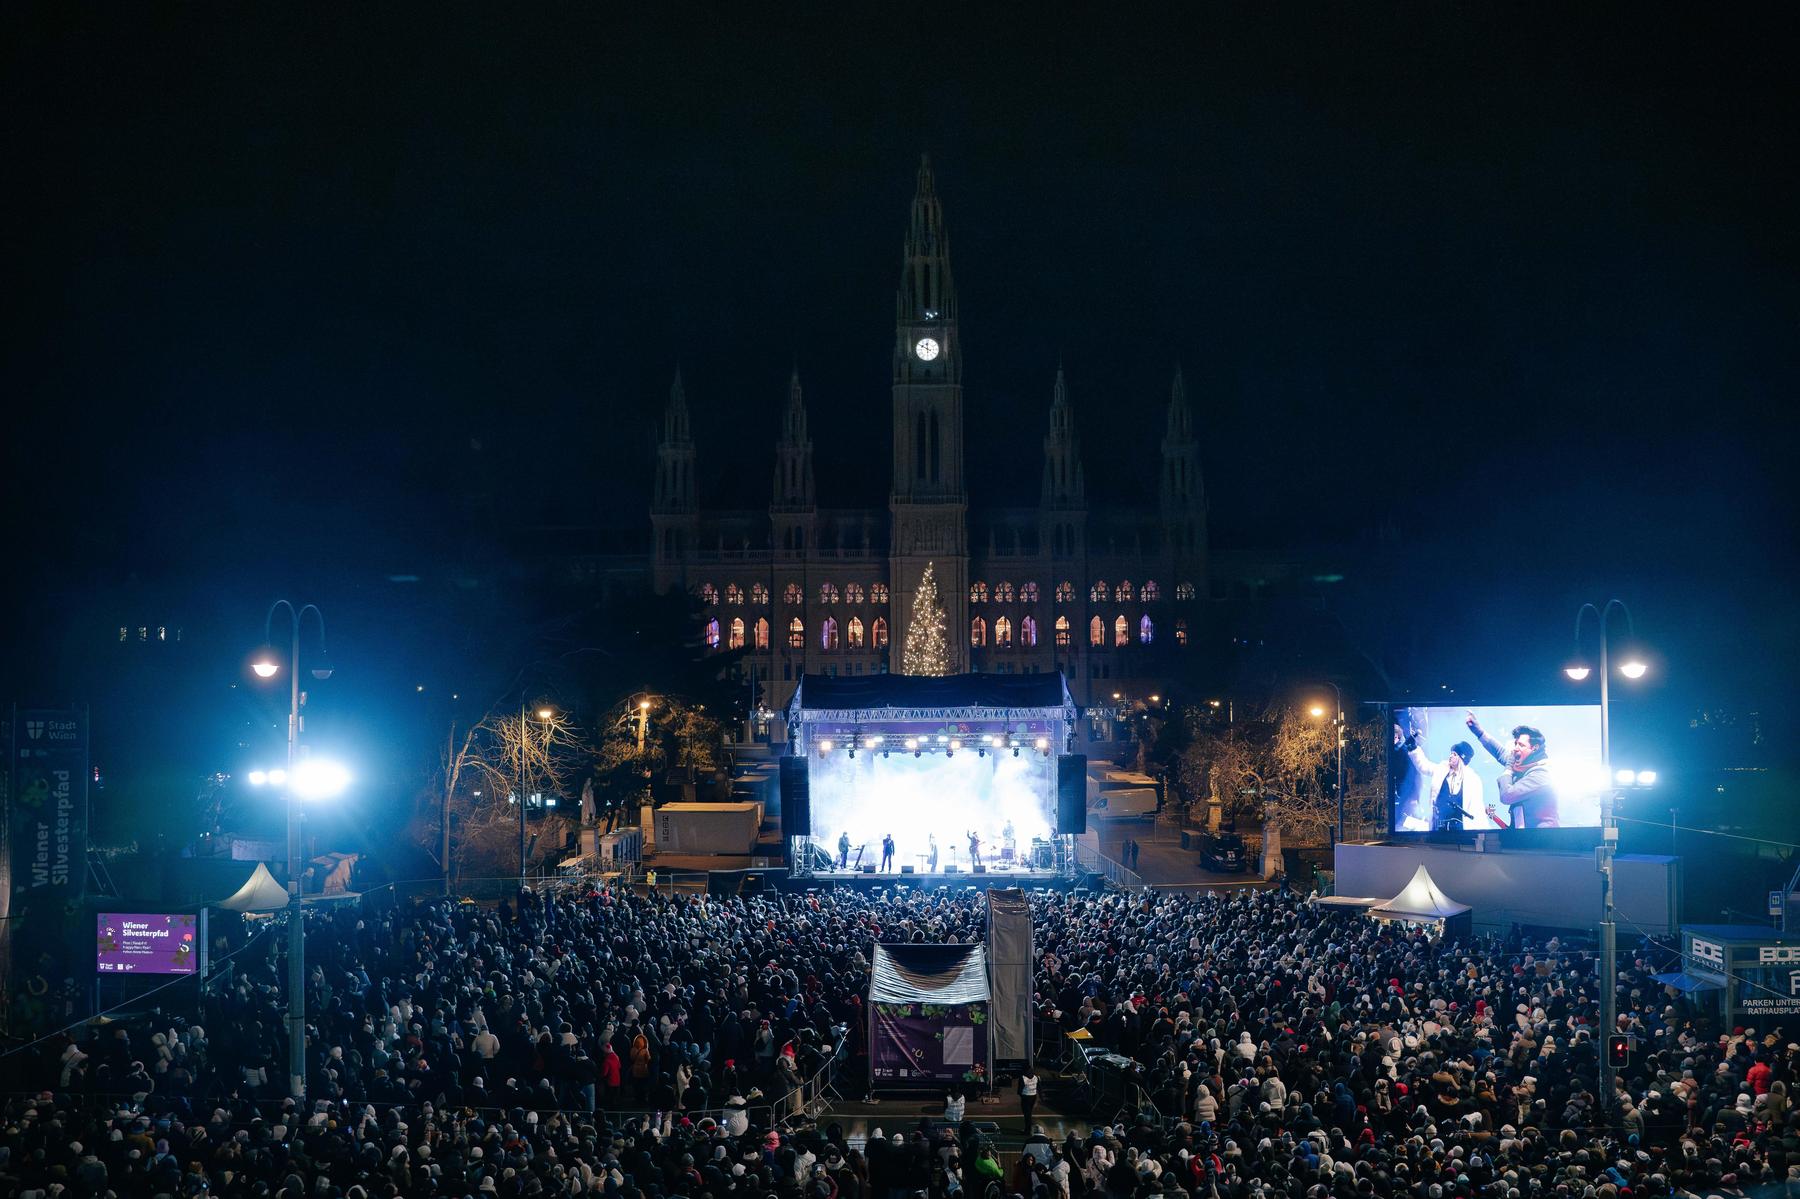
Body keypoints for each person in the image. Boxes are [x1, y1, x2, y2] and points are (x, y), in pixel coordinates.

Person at [1467, 712, 1560, 827]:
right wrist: (1479, 732)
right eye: (1515, 743)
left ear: (1534, 748)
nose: (1515, 748)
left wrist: (1508, 770)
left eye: (1521, 745)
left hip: (1542, 837)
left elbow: (1507, 795)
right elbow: (1500, 752)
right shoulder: (1523, 764)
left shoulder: (1541, 774)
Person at [1394, 726, 1487, 831]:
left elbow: (1477, 809)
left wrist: (1480, 832)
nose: (1450, 756)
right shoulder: (1442, 769)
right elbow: (1424, 766)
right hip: (1438, 826)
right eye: (1451, 753)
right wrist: (1413, 748)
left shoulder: (1473, 780)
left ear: (1462, 758)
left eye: (1454, 754)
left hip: (1460, 829)